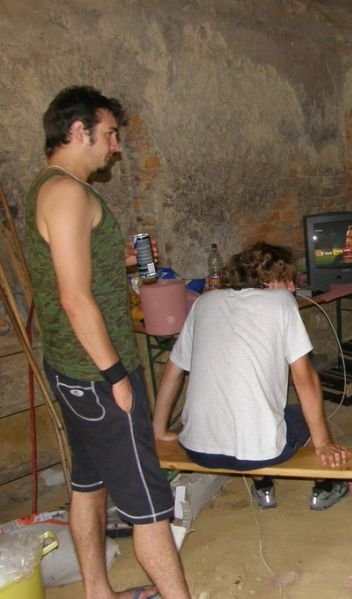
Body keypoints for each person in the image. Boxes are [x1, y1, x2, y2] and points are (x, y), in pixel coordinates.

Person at [24, 86, 189, 599]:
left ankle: (98, 592)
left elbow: (71, 268)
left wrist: (120, 259)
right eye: (110, 134)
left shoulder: (49, 189)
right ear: (79, 131)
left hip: (71, 369)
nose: (115, 147)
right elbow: (75, 299)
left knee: (88, 485)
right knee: (149, 504)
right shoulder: (69, 194)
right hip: (98, 373)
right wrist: (116, 375)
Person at [153, 242, 352, 510]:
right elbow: (305, 379)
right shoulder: (282, 303)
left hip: (198, 449)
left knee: (261, 416)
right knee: (300, 416)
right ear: (267, 280)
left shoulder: (204, 302)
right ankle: (325, 487)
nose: (293, 288)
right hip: (260, 454)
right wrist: (323, 443)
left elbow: (173, 370)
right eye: (287, 280)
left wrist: (158, 429)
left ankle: (263, 487)